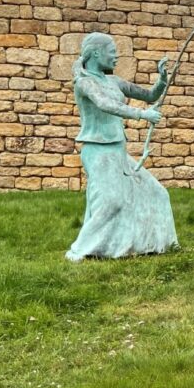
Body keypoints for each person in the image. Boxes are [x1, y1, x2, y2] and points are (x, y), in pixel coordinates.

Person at [65, 33, 178, 261]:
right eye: (112, 51)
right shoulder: (85, 82)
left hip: (117, 150)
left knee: (157, 192)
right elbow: (104, 104)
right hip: (98, 150)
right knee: (111, 201)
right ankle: (79, 250)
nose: (116, 56)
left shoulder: (114, 81)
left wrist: (162, 79)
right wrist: (141, 115)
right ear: (96, 52)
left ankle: (148, 243)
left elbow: (149, 95)